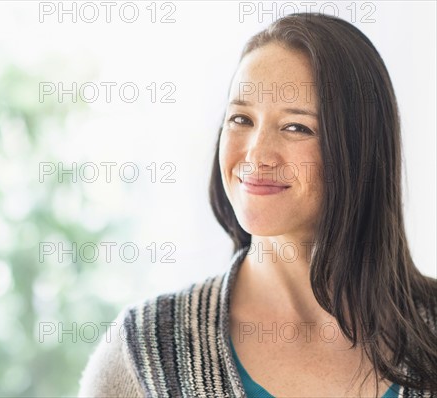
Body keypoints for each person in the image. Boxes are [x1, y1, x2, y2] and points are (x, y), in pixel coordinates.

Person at [78, 13, 437, 397]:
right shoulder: (144, 351)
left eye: (296, 127)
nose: (256, 154)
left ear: (360, 150)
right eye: (241, 119)